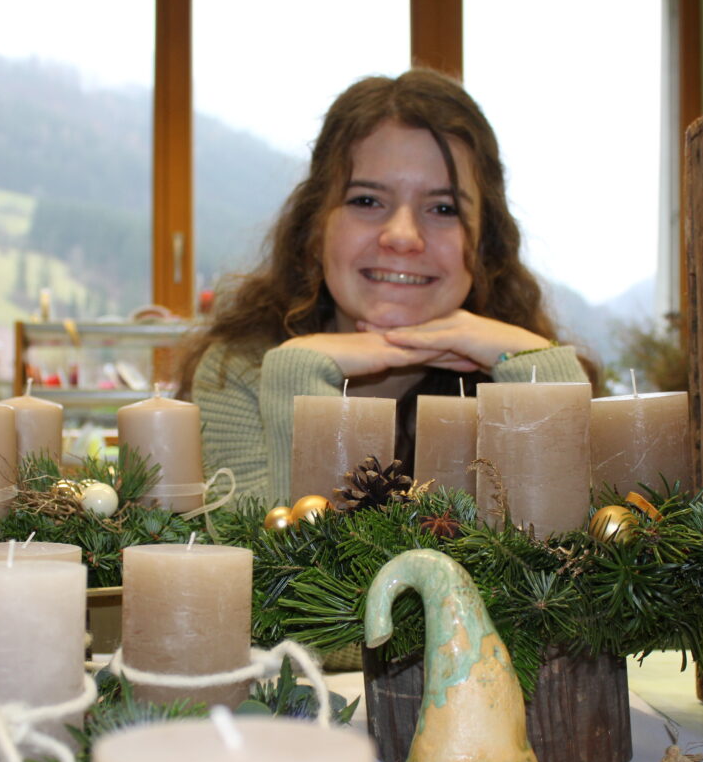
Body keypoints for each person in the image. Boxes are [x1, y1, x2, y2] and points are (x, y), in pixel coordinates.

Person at [178, 69, 596, 506]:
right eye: (366, 201)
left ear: (485, 240)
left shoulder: (509, 379)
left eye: (442, 207)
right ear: (315, 227)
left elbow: (585, 554)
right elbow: (274, 563)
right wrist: (298, 374)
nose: (402, 235)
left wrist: (534, 365)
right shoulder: (239, 372)